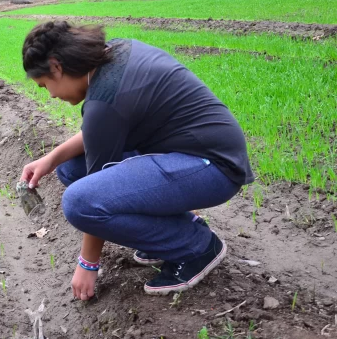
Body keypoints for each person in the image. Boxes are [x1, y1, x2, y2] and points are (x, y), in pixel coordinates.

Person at [19, 21, 253, 300]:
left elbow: (92, 191)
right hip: (190, 155)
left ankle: (195, 247)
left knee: (78, 203)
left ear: (57, 67)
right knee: (71, 168)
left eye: (46, 85)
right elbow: (98, 133)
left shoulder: (105, 101)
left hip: (214, 167)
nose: (52, 95)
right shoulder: (114, 53)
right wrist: (52, 158)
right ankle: (175, 231)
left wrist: (87, 263)